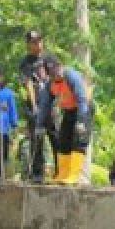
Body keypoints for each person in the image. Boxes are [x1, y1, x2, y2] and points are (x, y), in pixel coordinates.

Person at [39, 57, 92, 187]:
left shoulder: (71, 76)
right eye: (52, 71)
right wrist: (39, 125)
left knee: (78, 141)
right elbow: (45, 106)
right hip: (68, 111)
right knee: (63, 140)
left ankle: (74, 175)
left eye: (57, 68)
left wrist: (81, 121)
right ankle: (62, 174)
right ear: (48, 74)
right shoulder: (49, 85)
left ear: (61, 66)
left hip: (83, 109)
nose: (57, 73)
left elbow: (82, 99)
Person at [19, 30, 56, 183]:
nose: (38, 44)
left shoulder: (50, 58)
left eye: (39, 41)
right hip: (35, 106)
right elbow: (27, 83)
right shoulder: (26, 62)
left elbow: (58, 79)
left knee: (56, 138)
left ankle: (61, 172)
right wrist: (34, 106)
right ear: (28, 44)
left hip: (52, 105)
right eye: (34, 42)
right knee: (37, 139)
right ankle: (37, 174)